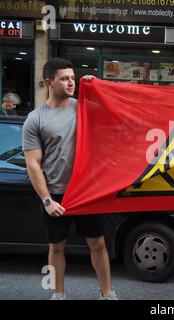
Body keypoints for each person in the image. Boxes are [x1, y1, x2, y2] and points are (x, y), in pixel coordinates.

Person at [22, 58, 118, 300]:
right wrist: (47, 200)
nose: (70, 83)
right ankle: (58, 294)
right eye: (64, 78)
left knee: (98, 244)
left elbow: (114, 111)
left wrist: (96, 87)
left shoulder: (84, 107)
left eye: (73, 78)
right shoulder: (36, 119)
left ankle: (107, 294)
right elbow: (33, 164)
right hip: (56, 194)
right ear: (48, 82)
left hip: (87, 190)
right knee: (56, 247)